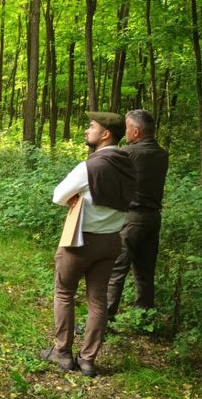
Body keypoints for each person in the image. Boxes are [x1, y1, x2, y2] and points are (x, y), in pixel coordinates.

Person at [40, 112, 135, 377]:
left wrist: (76, 196)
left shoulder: (90, 167)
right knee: (98, 301)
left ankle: (62, 353)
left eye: (92, 127)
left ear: (105, 134)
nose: (86, 131)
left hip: (79, 241)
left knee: (64, 293)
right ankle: (88, 360)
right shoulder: (129, 165)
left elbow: (58, 196)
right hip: (112, 241)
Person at [106, 110, 169, 322]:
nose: (125, 133)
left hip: (133, 218)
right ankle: (144, 318)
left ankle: (104, 319)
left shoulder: (129, 153)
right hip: (153, 218)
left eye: (126, 129)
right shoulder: (161, 153)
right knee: (145, 271)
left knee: (116, 268)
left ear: (136, 130)